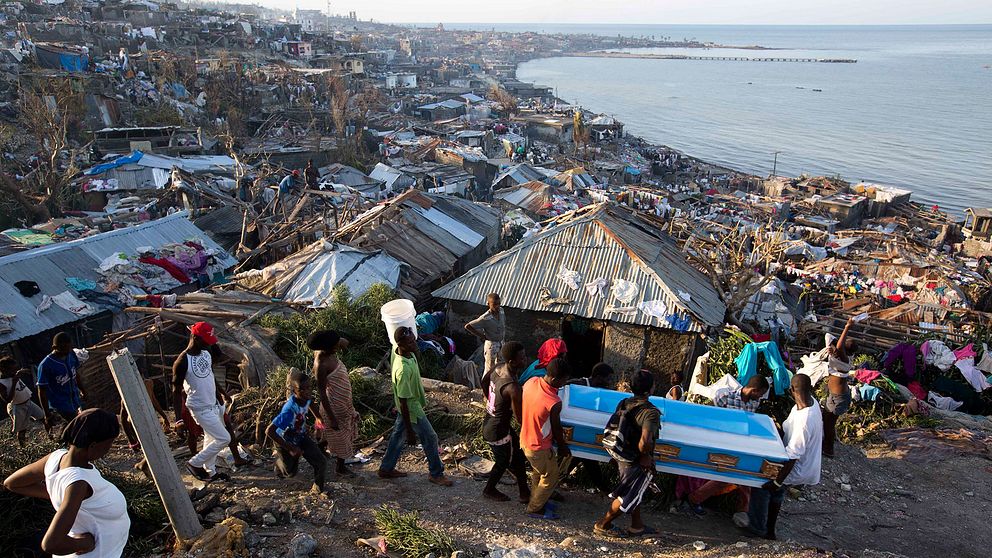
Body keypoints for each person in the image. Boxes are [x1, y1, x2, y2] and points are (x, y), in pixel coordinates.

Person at [4, 409, 130, 557]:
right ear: (93, 446)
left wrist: (61, 498)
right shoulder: (79, 483)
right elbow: (51, 543)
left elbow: (12, 483)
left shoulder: (56, 458)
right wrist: (82, 544)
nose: (108, 449)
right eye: (109, 443)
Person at [679, 376, 769, 521]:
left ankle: (743, 511)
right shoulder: (725, 397)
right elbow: (712, 419)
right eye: (761, 393)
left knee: (743, 477)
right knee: (728, 476)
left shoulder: (754, 403)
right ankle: (695, 499)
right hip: (722, 443)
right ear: (754, 390)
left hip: (741, 445)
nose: (761, 397)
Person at [745, 374, 823, 540]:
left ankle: (757, 527)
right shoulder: (810, 404)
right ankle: (770, 530)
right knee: (776, 493)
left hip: (796, 467)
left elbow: (793, 456)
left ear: (792, 390)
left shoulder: (804, 421)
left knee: (763, 487)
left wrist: (777, 480)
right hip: (797, 462)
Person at [378, 327, 453, 487]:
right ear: (401, 344)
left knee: (398, 436)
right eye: (411, 342)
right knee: (430, 437)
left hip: (408, 405)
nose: (415, 344)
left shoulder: (401, 351)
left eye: (414, 339)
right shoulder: (403, 370)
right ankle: (436, 473)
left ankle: (386, 468)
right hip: (411, 409)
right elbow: (404, 402)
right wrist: (411, 432)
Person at [594, 370, 660, 537]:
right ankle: (603, 524)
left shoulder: (624, 402)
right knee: (628, 495)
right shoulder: (650, 412)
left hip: (622, 454)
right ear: (650, 389)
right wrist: (645, 457)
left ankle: (637, 526)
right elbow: (645, 442)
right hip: (635, 459)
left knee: (634, 491)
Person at [172, 322, 233, 482]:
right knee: (224, 438)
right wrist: (178, 419)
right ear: (195, 337)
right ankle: (194, 463)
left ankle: (210, 472)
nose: (209, 344)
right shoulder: (182, 361)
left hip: (213, 404)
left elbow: (209, 376)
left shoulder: (205, 353)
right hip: (199, 408)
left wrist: (222, 395)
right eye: (206, 341)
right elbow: (176, 391)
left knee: (211, 438)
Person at [521, 357, 571, 519]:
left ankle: (538, 499)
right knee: (550, 476)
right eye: (564, 380)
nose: (564, 384)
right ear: (555, 379)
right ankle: (535, 508)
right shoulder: (554, 402)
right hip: (539, 445)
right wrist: (563, 446)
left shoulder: (531, 382)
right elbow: (556, 428)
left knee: (538, 473)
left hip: (526, 439)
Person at [481, 341, 530, 502]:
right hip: (498, 431)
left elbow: (484, 381)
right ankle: (489, 489)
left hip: (492, 421)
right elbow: (519, 418)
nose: (526, 360)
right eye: (522, 358)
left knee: (517, 456)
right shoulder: (513, 388)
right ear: (512, 362)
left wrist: (490, 400)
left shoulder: (499, 367)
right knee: (504, 461)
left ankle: (524, 492)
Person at [266, 370, 328, 493]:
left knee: (321, 462)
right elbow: (270, 431)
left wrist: (319, 424)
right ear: (294, 391)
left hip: (300, 436)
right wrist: (291, 448)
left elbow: (315, 412)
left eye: (309, 388)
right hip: (284, 439)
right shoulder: (289, 410)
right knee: (289, 472)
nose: (307, 392)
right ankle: (279, 465)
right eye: (302, 389)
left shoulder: (307, 398)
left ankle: (318, 488)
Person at [309, 330, 358, 476]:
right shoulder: (321, 364)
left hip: (344, 402)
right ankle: (340, 468)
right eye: (335, 346)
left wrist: (337, 340)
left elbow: (345, 343)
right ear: (328, 347)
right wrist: (332, 418)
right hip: (334, 407)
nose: (338, 347)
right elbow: (322, 393)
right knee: (341, 438)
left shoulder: (329, 351)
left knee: (328, 434)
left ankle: (320, 450)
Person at [823, 316, 856, 458]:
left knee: (829, 423)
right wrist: (833, 348)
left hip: (839, 398)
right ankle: (827, 442)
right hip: (835, 395)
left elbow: (840, 345)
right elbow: (831, 338)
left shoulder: (844, 359)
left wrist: (847, 327)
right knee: (826, 420)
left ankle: (829, 450)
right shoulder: (840, 357)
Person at [37, 332, 85, 426]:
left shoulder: (71, 355)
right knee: (76, 426)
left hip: (74, 399)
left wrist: (83, 390)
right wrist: (47, 414)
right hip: (60, 405)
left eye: (68, 348)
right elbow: (41, 391)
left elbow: (76, 374)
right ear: (54, 347)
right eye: (63, 349)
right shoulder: (45, 365)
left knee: (76, 426)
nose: (66, 351)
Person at [1, 356, 46, 446]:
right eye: (12, 370)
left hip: (28, 402)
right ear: (4, 370)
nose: (15, 372)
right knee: (22, 429)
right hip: (17, 407)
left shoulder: (13, 375)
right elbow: (8, 399)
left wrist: (22, 372)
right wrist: (14, 383)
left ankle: (51, 436)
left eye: (15, 369)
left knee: (43, 418)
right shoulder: (2, 383)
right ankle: (23, 447)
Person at [465, 293, 506, 378]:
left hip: (501, 343)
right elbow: (468, 326)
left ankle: (496, 387)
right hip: (492, 345)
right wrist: (482, 336)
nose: (497, 306)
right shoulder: (485, 318)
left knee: (501, 367)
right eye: (494, 304)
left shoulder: (501, 311)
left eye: (499, 303)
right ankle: (485, 388)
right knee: (489, 369)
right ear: (488, 304)